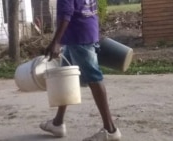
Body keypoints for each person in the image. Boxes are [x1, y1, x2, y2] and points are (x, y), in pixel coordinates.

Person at [40, 0, 122, 141]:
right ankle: (57, 122)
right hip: (83, 33)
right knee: (65, 78)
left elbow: (66, 14)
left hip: (78, 37)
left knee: (94, 78)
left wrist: (56, 42)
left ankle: (110, 130)